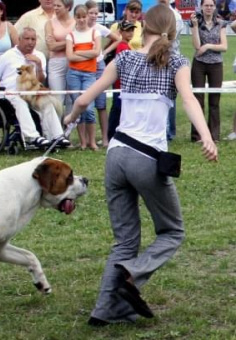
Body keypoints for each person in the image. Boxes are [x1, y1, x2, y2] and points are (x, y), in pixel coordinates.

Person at [64, 5, 218, 325]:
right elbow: (189, 99)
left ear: (141, 26)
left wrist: (69, 118)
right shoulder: (177, 62)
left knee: (125, 240)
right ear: (173, 32)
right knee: (172, 231)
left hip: (116, 155)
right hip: (147, 159)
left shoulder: (123, 59)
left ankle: (105, 311)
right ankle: (131, 277)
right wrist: (206, 137)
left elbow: (84, 98)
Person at [0, 27, 70, 148]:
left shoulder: (39, 55)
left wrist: (38, 64)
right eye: (27, 39)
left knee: (47, 103)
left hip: (31, 92)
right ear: (20, 39)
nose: (30, 42)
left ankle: (57, 136)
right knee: (19, 102)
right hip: (10, 93)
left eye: (33, 39)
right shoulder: (8, 55)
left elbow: (41, 80)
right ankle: (33, 137)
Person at [190, 0, 227, 143]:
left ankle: (214, 135)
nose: (209, 8)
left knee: (214, 101)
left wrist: (207, 47)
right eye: (206, 5)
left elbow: (224, 47)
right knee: (197, 100)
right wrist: (194, 27)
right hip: (199, 64)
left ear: (214, 7)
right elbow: (196, 46)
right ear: (201, 7)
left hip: (216, 65)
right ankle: (197, 136)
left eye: (211, 5)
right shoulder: (196, 22)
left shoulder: (221, 23)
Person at [66, 5, 101, 150]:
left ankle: (92, 141)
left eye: (83, 16)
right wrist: (88, 52)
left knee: (89, 108)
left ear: (88, 17)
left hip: (90, 74)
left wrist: (78, 53)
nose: (81, 20)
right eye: (78, 17)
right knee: (78, 106)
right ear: (74, 18)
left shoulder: (95, 33)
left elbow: (97, 52)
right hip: (74, 73)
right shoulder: (71, 35)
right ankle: (83, 142)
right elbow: (69, 56)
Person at [86, 0, 120, 148]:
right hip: (85, 66)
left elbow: (117, 39)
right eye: (91, 13)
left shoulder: (100, 28)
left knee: (101, 104)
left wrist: (105, 52)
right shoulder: (80, 28)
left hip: (99, 65)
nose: (94, 16)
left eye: (96, 13)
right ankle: (87, 138)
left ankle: (105, 138)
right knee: (86, 103)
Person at [158, 0, 184, 141]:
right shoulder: (153, 13)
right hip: (156, 59)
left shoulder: (176, 16)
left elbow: (170, 39)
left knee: (170, 96)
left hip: (171, 60)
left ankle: (169, 132)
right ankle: (160, 129)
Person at [45, 0, 75, 118]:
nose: (55, 8)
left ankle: (67, 130)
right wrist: (71, 42)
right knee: (57, 99)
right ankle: (57, 131)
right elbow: (51, 46)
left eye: (59, 6)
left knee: (71, 99)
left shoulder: (75, 21)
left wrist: (60, 44)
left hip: (73, 62)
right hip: (56, 63)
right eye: (54, 5)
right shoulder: (49, 23)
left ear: (67, 7)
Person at [107, 20, 134, 140]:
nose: (130, 33)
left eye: (132, 30)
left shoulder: (125, 45)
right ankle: (112, 134)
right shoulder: (122, 46)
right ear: (121, 32)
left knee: (118, 109)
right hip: (121, 84)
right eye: (127, 30)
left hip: (121, 84)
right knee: (118, 110)